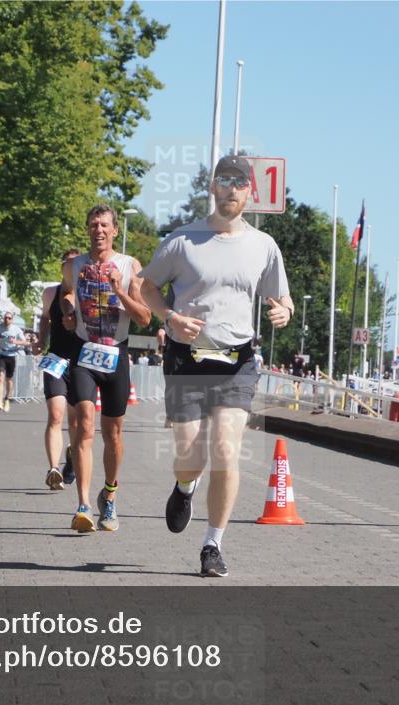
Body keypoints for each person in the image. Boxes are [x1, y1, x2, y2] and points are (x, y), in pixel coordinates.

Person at [139, 154, 293, 577]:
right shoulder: (182, 241)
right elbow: (146, 286)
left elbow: (282, 297)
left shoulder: (263, 246)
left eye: (239, 182)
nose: (231, 189)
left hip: (237, 361)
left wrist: (284, 311)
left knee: (226, 450)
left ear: (250, 192)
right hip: (186, 359)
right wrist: (170, 317)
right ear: (213, 186)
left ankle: (213, 544)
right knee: (191, 454)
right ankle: (185, 486)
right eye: (224, 180)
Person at [61, 205, 151, 533]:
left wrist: (118, 290)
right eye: (93, 224)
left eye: (104, 225)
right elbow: (67, 294)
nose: (98, 230)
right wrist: (68, 310)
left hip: (116, 354)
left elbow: (144, 317)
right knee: (84, 426)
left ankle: (109, 494)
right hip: (85, 352)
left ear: (114, 231)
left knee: (113, 435)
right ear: (87, 229)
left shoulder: (130, 267)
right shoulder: (75, 265)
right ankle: (83, 505)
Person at [35, 249, 80, 491]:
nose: (72, 267)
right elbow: (44, 318)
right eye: (68, 263)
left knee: (75, 423)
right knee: (55, 415)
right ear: (62, 267)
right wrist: (41, 340)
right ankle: (53, 469)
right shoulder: (50, 292)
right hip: (55, 359)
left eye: (76, 263)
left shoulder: (86, 293)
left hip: (80, 363)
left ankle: (71, 456)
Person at [0, 312, 27, 412]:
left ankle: (7, 399)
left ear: (12, 320)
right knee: (0, 378)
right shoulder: (0, 328)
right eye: (5, 318)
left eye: (9, 318)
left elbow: (24, 341)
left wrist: (16, 342)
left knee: (9, 379)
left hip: (11, 356)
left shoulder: (16, 329)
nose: (7, 319)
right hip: (1, 355)